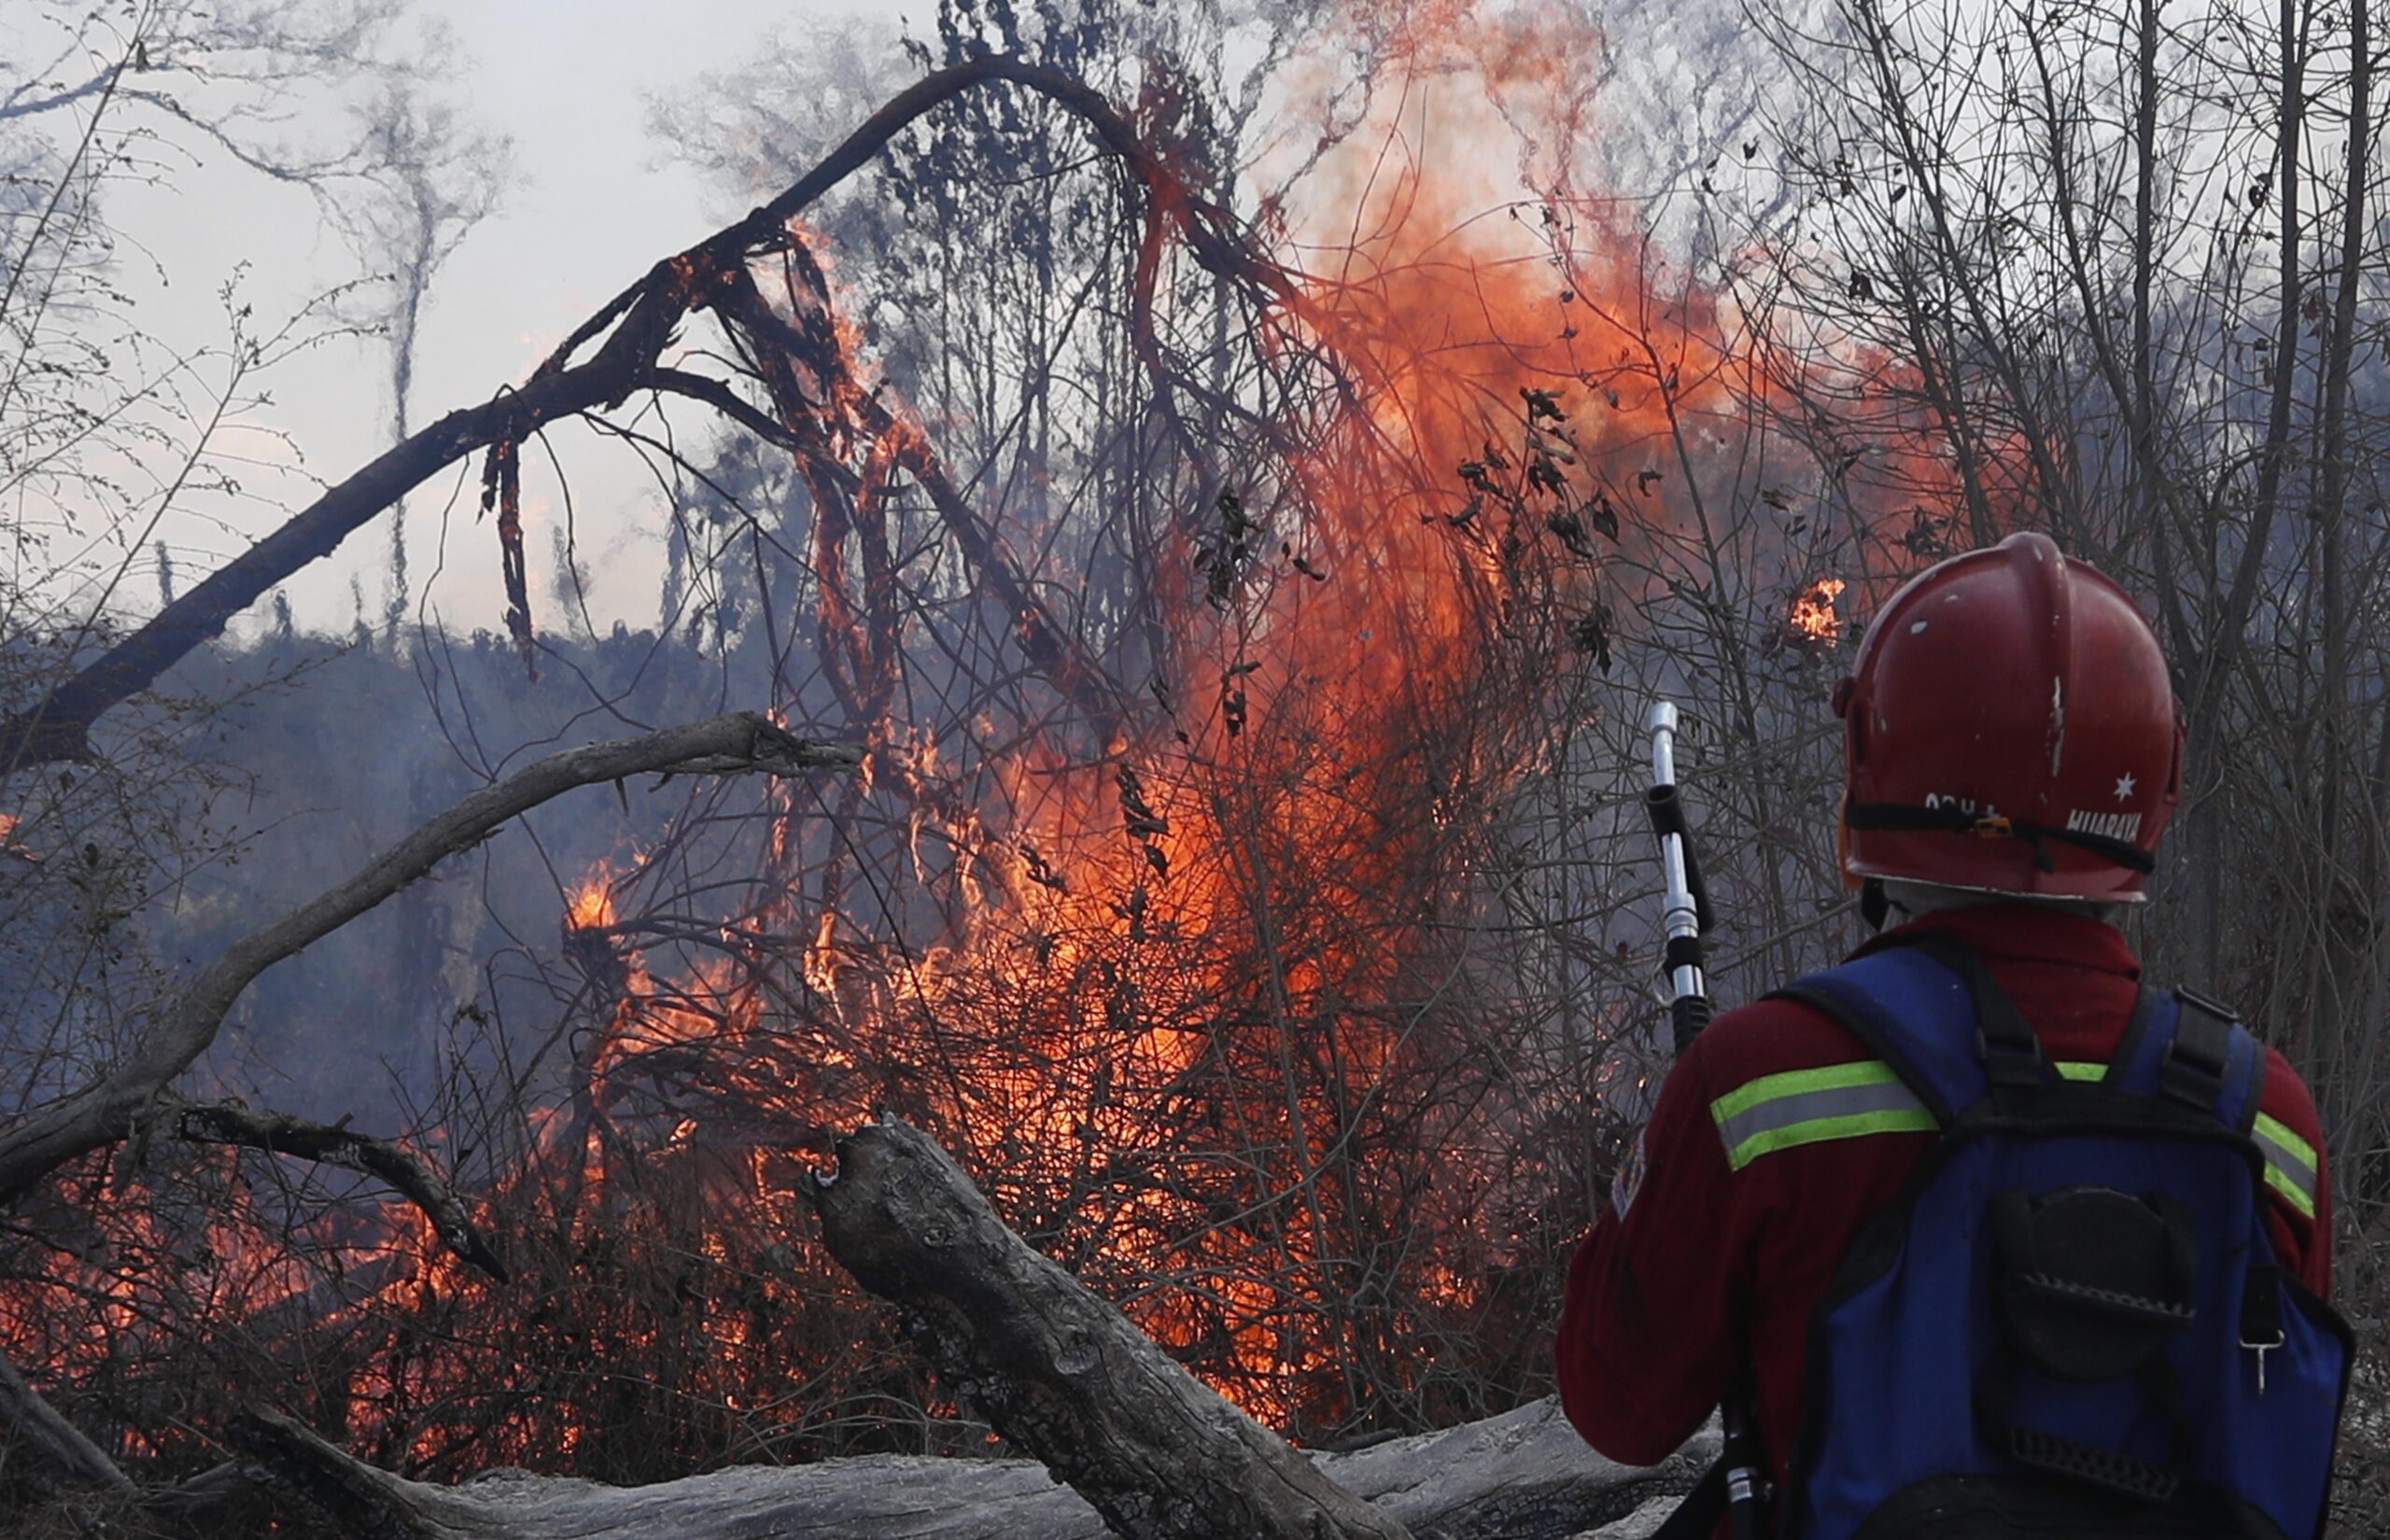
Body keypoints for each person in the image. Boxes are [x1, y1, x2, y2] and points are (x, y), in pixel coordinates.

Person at [1555, 533, 2348, 1539]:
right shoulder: (2267, 1119)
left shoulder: (1757, 1083)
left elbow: (1616, 1409)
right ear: (2151, 794)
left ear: (1871, 770)